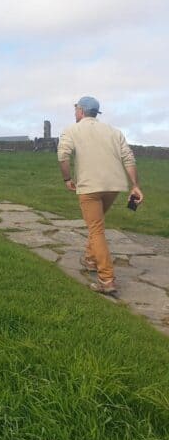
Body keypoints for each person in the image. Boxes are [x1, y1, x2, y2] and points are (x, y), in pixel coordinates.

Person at [57, 96, 143, 294]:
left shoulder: (72, 130)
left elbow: (63, 156)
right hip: (113, 186)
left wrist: (67, 179)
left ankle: (107, 279)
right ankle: (89, 259)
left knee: (96, 229)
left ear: (80, 110)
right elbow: (129, 158)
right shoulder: (114, 131)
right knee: (96, 223)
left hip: (89, 187)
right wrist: (135, 185)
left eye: (75, 109)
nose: (74, 112)